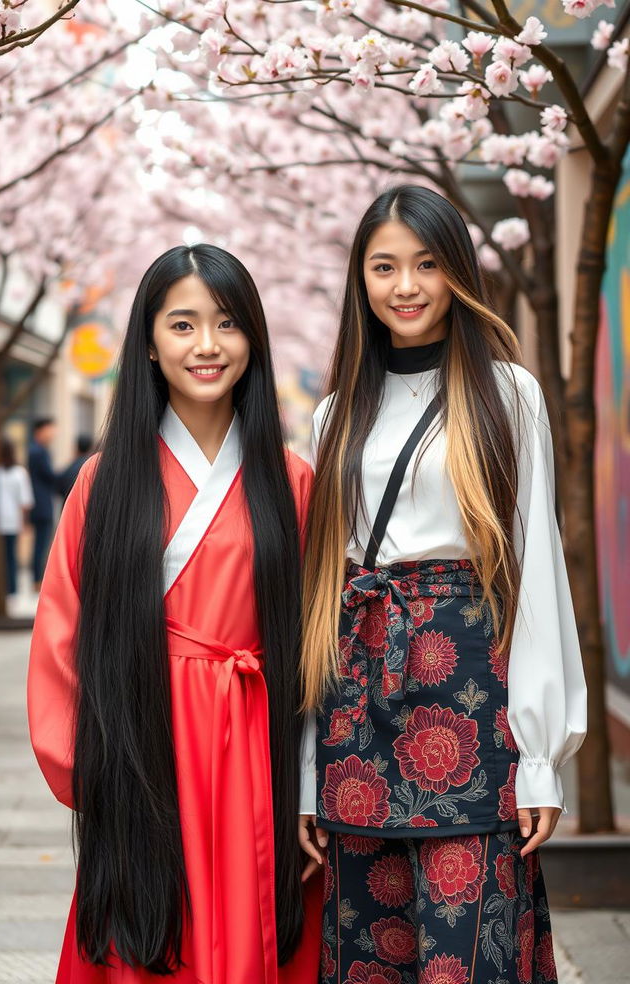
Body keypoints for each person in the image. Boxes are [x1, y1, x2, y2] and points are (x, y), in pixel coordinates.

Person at [298, 186, 587, 984]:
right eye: (384, 266)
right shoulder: (333, 415)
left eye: (426, 264)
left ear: (456, 269)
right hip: (360, 710)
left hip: (471, 702)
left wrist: (539, 759)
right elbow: (324, 596)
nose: (406, 285)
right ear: (360, 279)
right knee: (371, 951)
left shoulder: (509, 396)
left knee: (471, 949)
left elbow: (534, 577)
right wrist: (304, 774)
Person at [27, 245, 320, 983]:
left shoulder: (292, 481)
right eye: (182, 325)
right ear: (150, 344)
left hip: (262, 748)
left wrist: (314, 778)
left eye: (226, 323)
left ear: (253, 337)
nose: (207, 346)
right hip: (145, 745)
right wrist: (93, 769)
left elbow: (321, 642)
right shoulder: (105, 482)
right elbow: (61, 633)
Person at [0, 437, 34, 595]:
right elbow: (25, 502)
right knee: (11, 556)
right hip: (12, 520)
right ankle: (12, 589)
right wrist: (24, 522)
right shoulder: (19, 473)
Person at [28, 416, 58, 590]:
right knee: (41, 543)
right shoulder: (39, 451)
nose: (53, 433)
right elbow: (50, 476)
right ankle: (37, 580)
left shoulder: (35, 450)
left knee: (39, 543)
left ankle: (36, 579)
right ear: (40, 430)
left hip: (39, 504)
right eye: (50, 429)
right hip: (42, 505)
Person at [57, 434, 93, 501]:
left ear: (77, 447)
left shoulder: (70, 466)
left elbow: (59, 486)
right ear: (91, 447)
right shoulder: (91, 467)